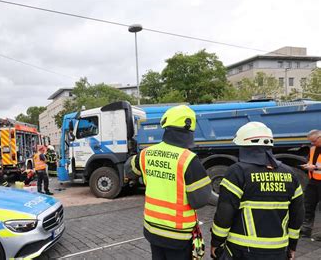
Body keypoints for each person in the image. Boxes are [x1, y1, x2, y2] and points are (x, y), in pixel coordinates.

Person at [126, 105, 211, 260]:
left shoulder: (146, 154)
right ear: (189, 129)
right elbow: (200, 200)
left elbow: (128, 169)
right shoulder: (188, 159)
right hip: (178, 236)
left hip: (152, 230)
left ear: (166, 126)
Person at [210, 122, 304, 260]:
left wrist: (216, 242)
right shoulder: (290, 173)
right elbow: (298, 214)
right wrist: (292, 245)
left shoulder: (237, 172)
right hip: (279, 250)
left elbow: (225, 212)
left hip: (242, 250)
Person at [300, 129, 321, 238]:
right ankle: (306, 230)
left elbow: (316, 165)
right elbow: (311, 161)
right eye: (311, 142)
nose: (312, 144)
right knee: (308, 204)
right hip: (313, 181)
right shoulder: (313, 148)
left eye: (314, 141)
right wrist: (308, 165)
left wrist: (316, 167)